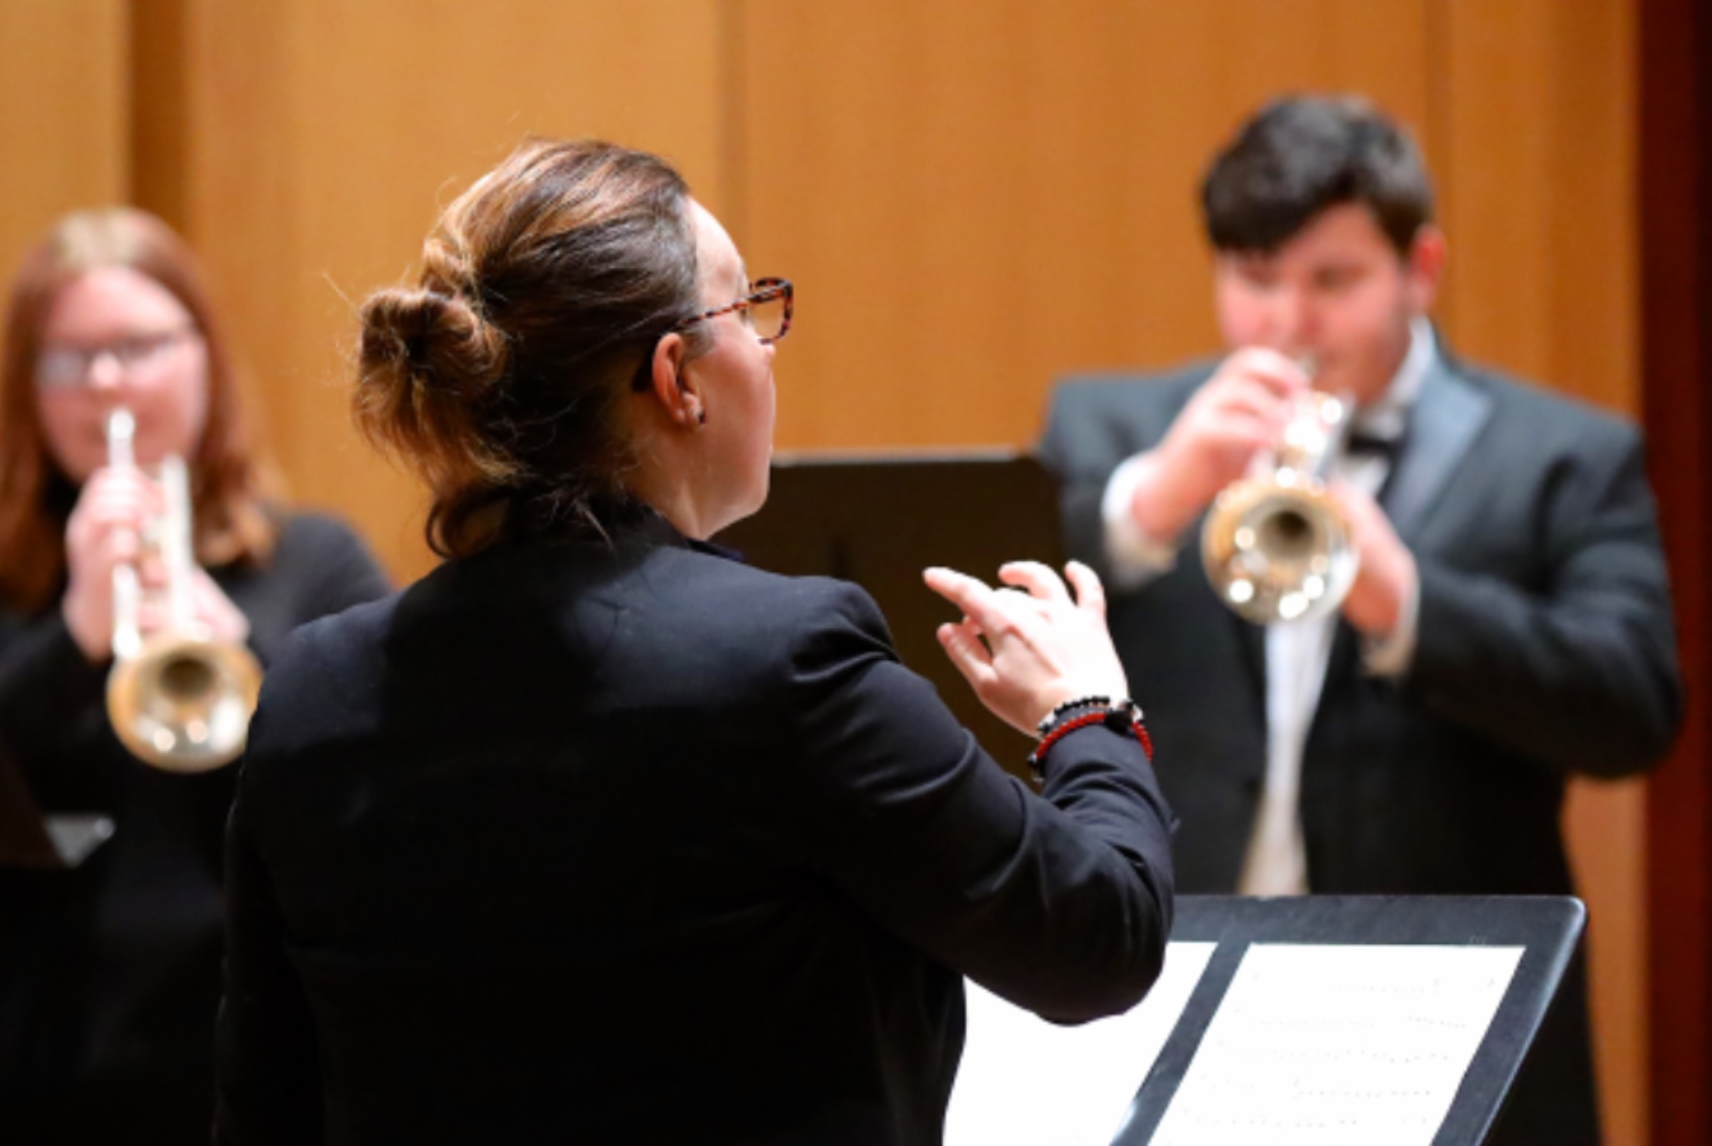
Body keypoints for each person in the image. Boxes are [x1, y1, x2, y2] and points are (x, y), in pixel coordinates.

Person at [213, 139, 1175, 1144]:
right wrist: (1085, 712)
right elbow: (1097, 937)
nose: (765, 347)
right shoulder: (787, 660)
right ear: (677, 376)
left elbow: (261, 1107)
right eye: (746, 313)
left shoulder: (313, 690)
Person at [1037, 94, 1682, 1145]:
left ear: (1420, 268)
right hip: (1171, 990)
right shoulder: (1108, 430)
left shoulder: (1565, 453)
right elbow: (993, 637)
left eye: (1333, 281)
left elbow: (1636, 708)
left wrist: (1412, 604)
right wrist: (1149, 506)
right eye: (1255, 280)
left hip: (1437, 1012)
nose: (1286, 325)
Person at [0, 208, 390, 1146]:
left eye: (138, 346)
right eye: (67, 357)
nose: (106, 380)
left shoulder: (314, 560)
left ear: (206, 359)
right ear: (25, 385)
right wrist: (75, 631)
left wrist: (242, 651)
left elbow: (376, 804)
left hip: (238, 1059)